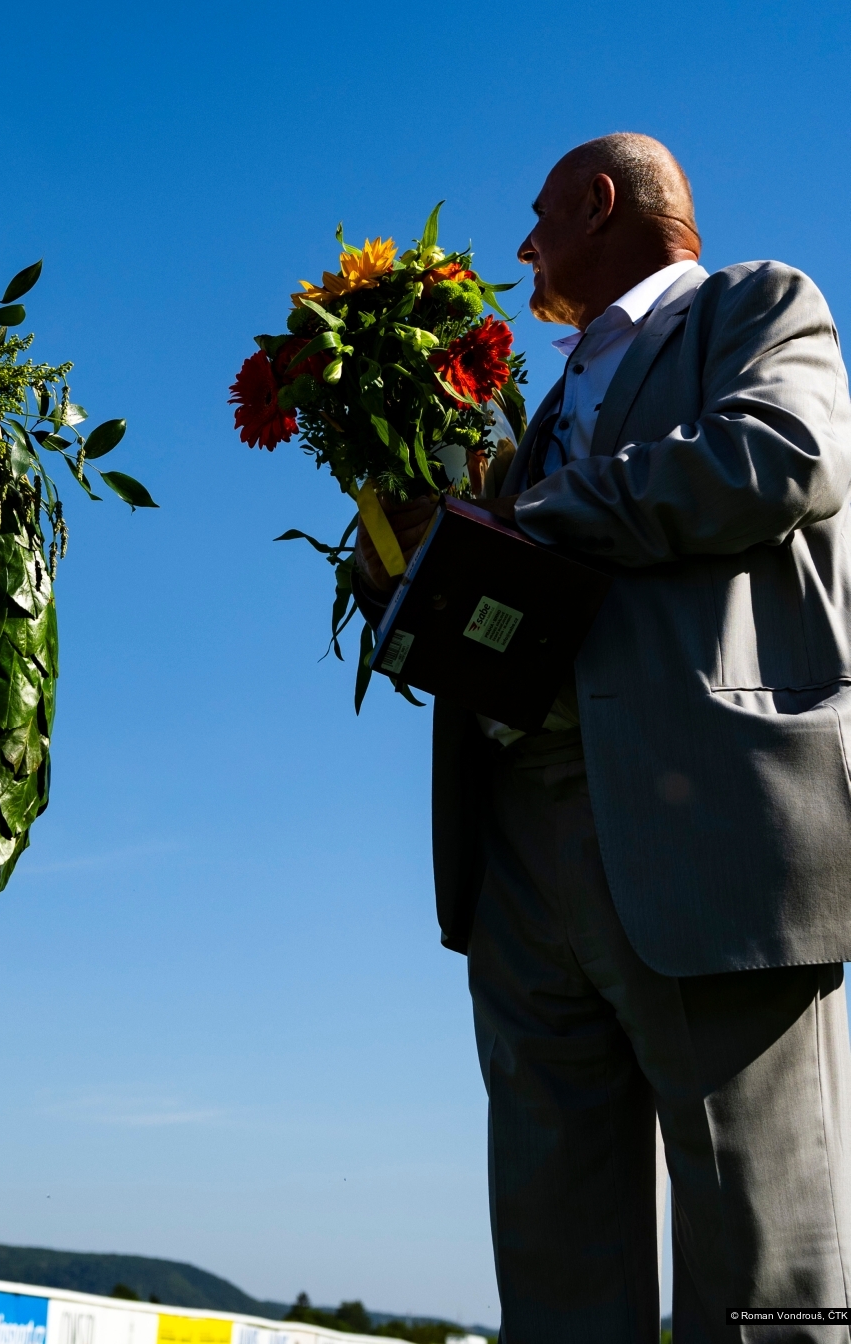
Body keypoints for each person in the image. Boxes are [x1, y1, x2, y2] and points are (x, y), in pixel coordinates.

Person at [357, 133, 851, 1339]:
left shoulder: (755, 305)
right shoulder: (527, 419)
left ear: (599, 202)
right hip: (514, 841)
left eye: (538, 220)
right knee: (552, 1255)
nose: (522, 250)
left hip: (704, 826)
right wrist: (414, 577)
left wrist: (529, 518)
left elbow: (783, 456)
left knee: (758, 1255)